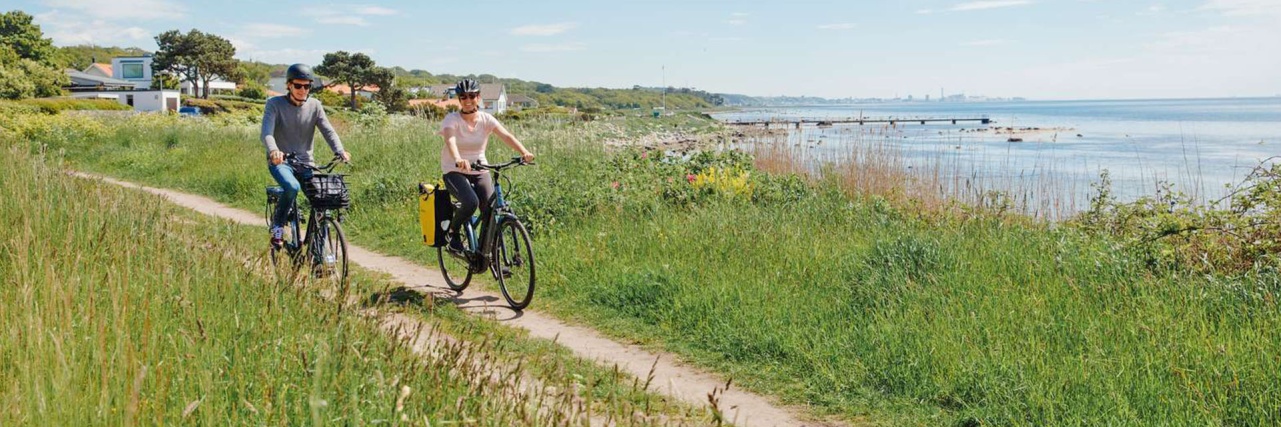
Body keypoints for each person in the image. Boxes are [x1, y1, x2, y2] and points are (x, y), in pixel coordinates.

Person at [262, 63, 351, 248]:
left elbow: (328, 131)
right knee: (292, 186)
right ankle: (277, 228)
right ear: (289, 85)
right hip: (282, 162)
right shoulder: (274, 104)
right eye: (298, 85)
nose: (303, 90)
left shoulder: (315, 105)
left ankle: (316, 251)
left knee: (322, 199)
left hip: (306, 163)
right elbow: (266, 133)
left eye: (307, 86)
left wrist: (340, 150)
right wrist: (273, 150)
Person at [439, 78, 534, 252]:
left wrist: (524, 152)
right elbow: (450, 139)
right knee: (470, 202)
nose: (468, 100)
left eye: (472, 96)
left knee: (490, 210)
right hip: (454, 170)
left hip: (480, 168)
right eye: (463, 97)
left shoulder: (486, 119)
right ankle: (453, 232)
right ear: (459, 99)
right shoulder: (451, 119)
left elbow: (506, 136)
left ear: (478, 97)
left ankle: (486, 252)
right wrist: (458, 158)